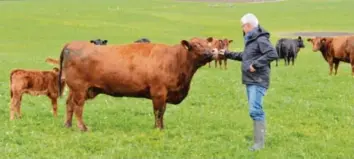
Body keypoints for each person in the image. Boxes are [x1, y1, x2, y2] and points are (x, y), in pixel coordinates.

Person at [222, 13, 278, 151]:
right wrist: (227, 53)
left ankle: (259, 144)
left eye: (243, 26)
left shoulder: (260, 39)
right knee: (254, 110)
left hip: (258, 80)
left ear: (248, 26)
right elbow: (245, 57)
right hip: (251, 80)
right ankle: (258, 141)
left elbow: (273, 53)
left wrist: (256, 65)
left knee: (255, 110)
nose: (242, 29)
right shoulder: (252, 40)